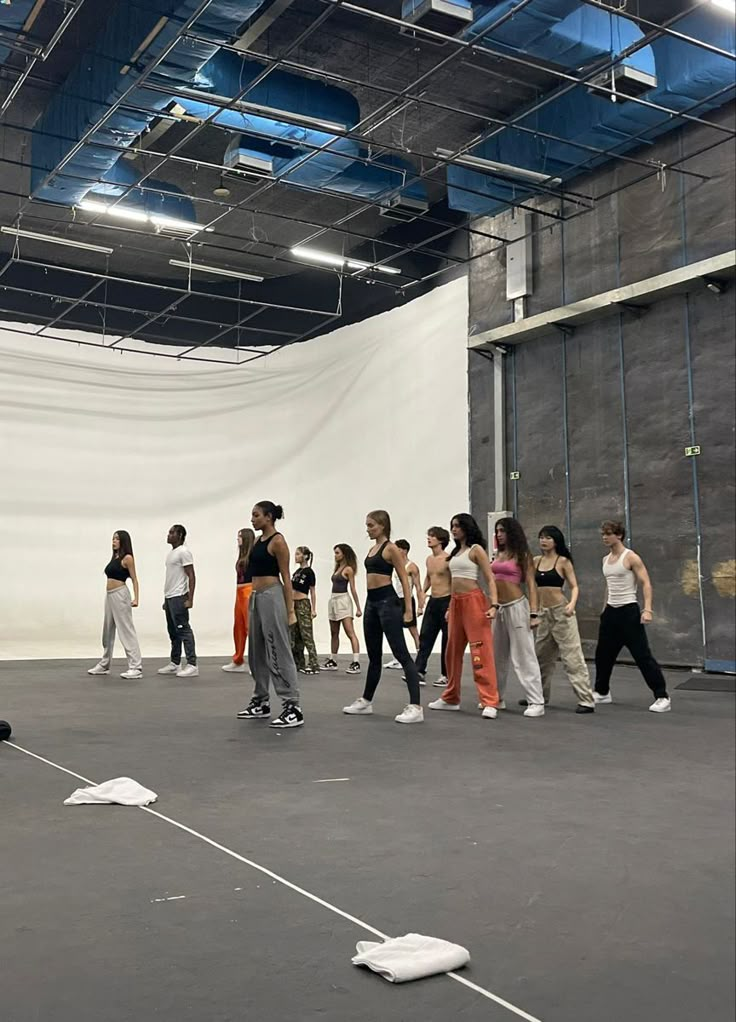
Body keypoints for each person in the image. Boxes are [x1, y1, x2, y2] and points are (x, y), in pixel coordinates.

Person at [343, 510, 424, 724]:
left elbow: (404, 581)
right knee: (374, 656)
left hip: (388, 602)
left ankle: (416, 706)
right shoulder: (372, 549)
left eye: (371, 525)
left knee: (401, 653)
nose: (368, 529)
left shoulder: (391, 549)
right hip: (372, 603)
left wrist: (408, 609)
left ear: (382, 525)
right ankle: (366, 701)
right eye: (367, 525)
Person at [237, 501, 304, 728]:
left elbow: (286, 577)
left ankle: (292, 706)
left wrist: (291, 611)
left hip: (272, 596)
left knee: (277, 650)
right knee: (255, 652)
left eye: (256, 515)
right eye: (252, 515)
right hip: (255, 598)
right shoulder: (257, 541)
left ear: (268, 517)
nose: (252, 519)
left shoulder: (278, 542)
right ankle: (261, 701)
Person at [593, 520, 671, 712]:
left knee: (642, 655)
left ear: (618, 535)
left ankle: (662, 696)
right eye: (603, 534)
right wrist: (604, 611)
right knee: (603, 654)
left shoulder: (631, 557)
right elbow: (609, 586)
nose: (604, 537)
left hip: (629, 611)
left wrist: (647, 609)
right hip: (611, 612)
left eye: (608, 533)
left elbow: (646, 583)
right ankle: (602, 692)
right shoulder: (605, 560)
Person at [428, 514, 500, 718]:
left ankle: (489, 701)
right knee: (452, 651)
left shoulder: (476, 550)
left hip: (474, 602)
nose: (454, 529)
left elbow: (490, 579)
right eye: (452, 526)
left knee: (480, 651)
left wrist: (494, 605)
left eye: (458, 526)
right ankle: (451, 697)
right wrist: (451, 606)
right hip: (456, 603)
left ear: (467, 527)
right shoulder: (455, 553)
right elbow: (453, 582)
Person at [530, 526, 595, 713]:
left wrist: (572, 604)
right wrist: (533, 612)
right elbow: (532, 588)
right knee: (541, 657)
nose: (543, 541)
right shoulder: (536, 561)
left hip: (561, 613)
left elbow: (574, 586)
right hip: (543, 613)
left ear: (556, 540)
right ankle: (538, 696)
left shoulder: (563, 562)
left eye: (548, 538)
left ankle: (586, 700)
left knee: (572, 657)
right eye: (541, 537)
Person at [491, 517, 545, 716]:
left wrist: (533, 613)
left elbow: (531, 585)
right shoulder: (497, 555)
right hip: (500, 608)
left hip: (517, 606)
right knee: (497, 655)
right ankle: (496, 697)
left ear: (511, 532)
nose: (499, 534)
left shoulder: (522, 555)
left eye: (503, 531)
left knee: (524, 655)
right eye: (497, 531)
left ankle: (536, 701)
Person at [88, 530, 142, 679]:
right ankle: (105, 664)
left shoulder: (127, 558)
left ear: (123, 541)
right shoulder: (115, 557)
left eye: (117, 539)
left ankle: (136, 667)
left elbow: (135, 579)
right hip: (110, 596)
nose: (114, 541)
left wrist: (136, 598)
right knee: (107, 630)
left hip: (120, 594)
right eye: (113, 538)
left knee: (126, 630)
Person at [157, 524, 198, 679]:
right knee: (173, 631)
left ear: (180, 535)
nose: (168, 535)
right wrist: (165, 599)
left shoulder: (184, 552)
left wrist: (190, 599)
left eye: (172, 532)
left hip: (179, 597)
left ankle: (192, 664)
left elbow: (191, 576)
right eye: (169, 532)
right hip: (170, 597)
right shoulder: (172, 553)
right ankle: (175, 662)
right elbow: (172, 577)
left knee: (184, 630)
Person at [414, 526, 452, 687]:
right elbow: (429, 577)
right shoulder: (429, 559)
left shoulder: (449, 559)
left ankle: (446, 674)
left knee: (446, 639)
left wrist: (451, 606)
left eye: (432, 536)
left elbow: (454, 582)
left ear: (441, 540)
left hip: (446, 599)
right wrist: (422, 593)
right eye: (428, 535)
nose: (429, 539)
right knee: (425, 636)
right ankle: (419, 671)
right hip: (433, 601)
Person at [323, 544, 362, 674]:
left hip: (343, 600)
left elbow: (353, 588)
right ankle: (333, 660)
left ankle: (356, 662)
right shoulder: (338, 568)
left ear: (344, 554)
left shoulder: (348, 569)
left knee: (349, 631)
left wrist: (358, 607)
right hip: (333, 600)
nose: (335, 555)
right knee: (334, 632)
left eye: (337, 553)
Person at [385, 539, 424, 667]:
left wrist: (419, 606)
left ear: (404, 550)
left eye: (398, 549)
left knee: (413, 630)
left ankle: (420, 657)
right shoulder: (396, 565)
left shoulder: (411, 567)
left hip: (407, 599)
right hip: (396, 599)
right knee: (394, 630)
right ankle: (398, 658)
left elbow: (418, 587)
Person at [222, 527, 255, 673]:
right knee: (239, 627)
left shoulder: (252, 555)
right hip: (239, 591)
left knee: (250, 627)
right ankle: (238, 659)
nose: (238, 539)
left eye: (240, 537)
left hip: (248, 590)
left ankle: (257, 663)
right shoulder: (242, 555)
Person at [291, 546, 320, 675]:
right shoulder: (297, 572)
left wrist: (313, 608)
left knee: (306, 634)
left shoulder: (309, 572)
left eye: (298, 554)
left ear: (305, 556)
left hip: (303, 603)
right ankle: (299, 662)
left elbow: (312, 591)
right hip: (293, 603)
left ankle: (314, 663)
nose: (296, 556)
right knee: (295, 634)